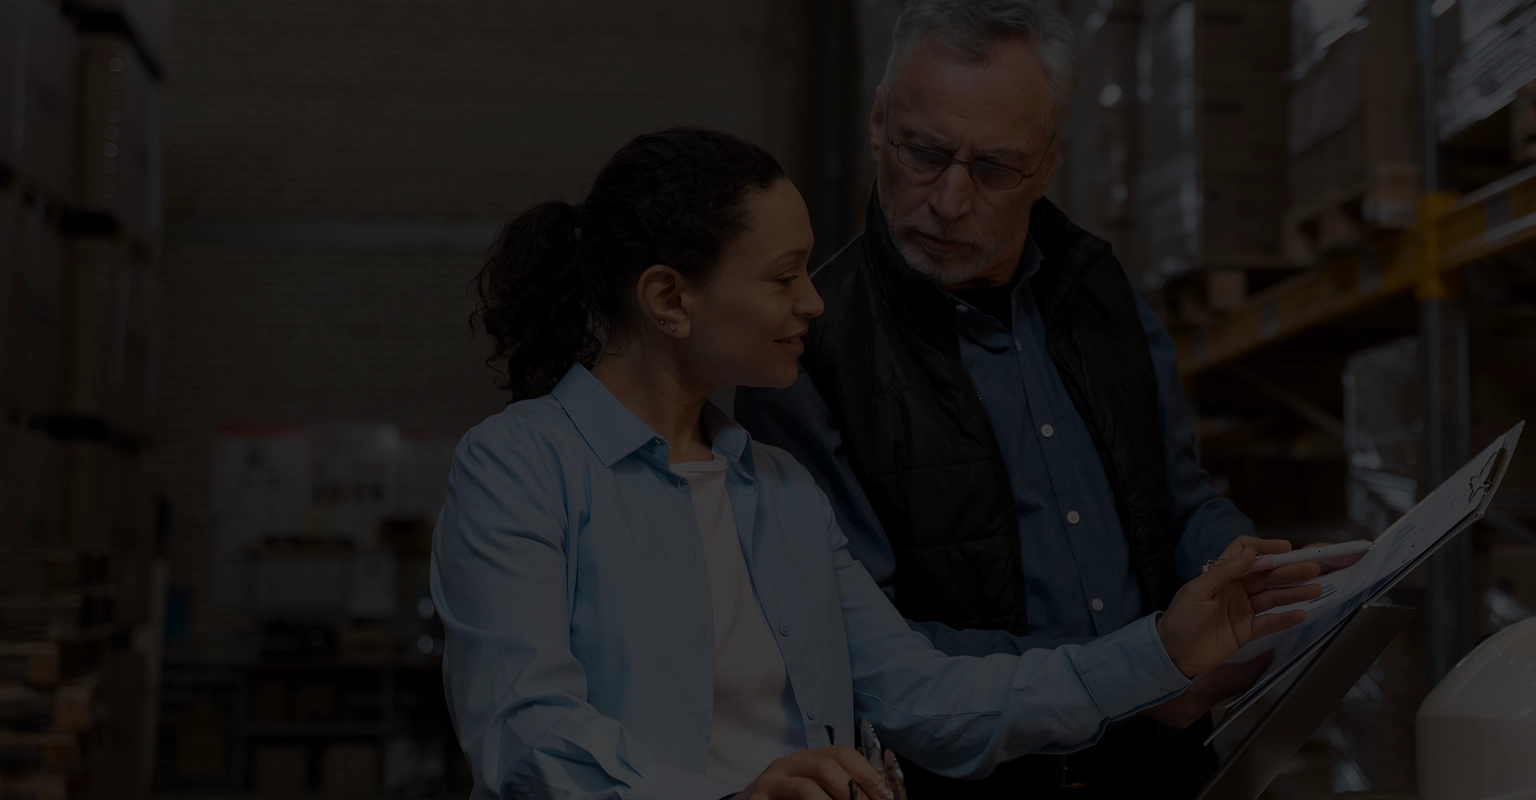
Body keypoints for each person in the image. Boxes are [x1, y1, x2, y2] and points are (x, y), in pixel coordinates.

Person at [434, 126, 1319, 800]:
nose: (814, 301)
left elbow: (929, 696)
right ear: (669, 298)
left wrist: (1163, 649)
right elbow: (522, 730)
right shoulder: (519, 470)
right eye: (783, 277)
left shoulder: (779, 494)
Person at [732, 2, 1320, 796]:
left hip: (1161, 773)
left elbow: (1179, 501)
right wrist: (1139, 677)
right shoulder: (810, 352)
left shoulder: (1100, 290)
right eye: (924, 152)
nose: (947, 200)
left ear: (1048, 163)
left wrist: (1241, 579)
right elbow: (864, 646)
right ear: (878, 123)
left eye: (995, 168)